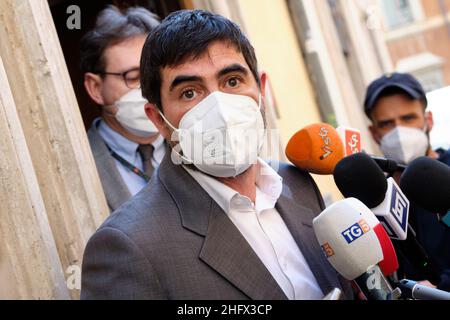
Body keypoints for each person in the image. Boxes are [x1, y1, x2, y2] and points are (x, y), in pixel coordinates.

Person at [81, 9, 353, 300]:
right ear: (158, 120)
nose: (220, 108)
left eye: (232, 81)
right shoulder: (127, 245)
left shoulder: (298, 184)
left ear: (261, 89)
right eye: (189, 93)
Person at [364, 72, 450, 291]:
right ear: (374, 133)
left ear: (428, 120)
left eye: (408, 118)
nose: (399, 131)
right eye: (387, 123)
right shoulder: (371, 200)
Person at [80, 6, 165, 212]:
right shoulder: (78, 165)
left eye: (155, 75)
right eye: (133, 77)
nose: (149, 89)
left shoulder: (197, 143)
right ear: (96, 88)